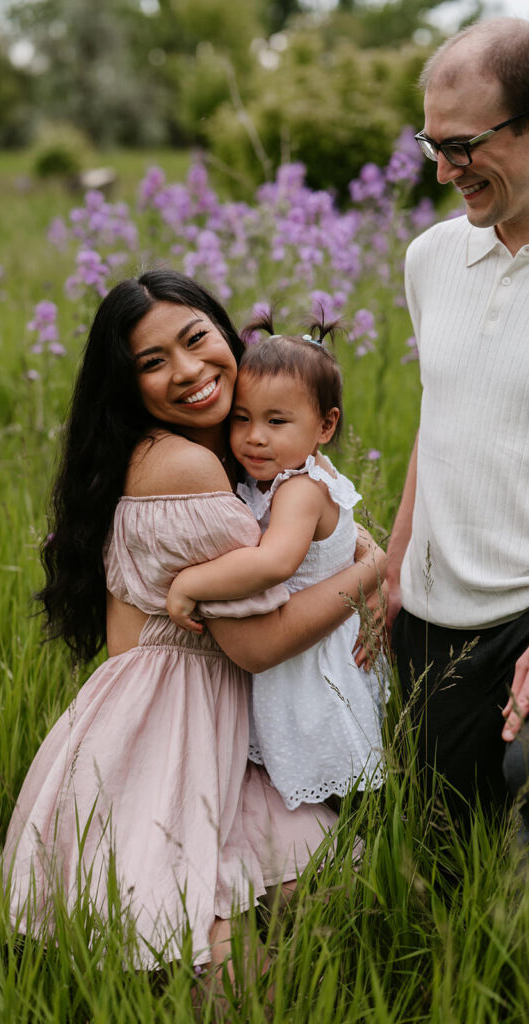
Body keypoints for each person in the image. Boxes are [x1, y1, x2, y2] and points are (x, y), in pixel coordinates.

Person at [2, 270, 387, 974]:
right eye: (152, 363)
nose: (188, 371)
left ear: (225, 331)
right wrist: (372, 570)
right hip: (168, 739)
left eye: (196, 339)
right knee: (217, 950)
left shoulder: (230, 455)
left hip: (216, 730)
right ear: (128, 386)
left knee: (349, 910)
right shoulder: (182, 466)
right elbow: (260, 644)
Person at [386, 17, 529, 868]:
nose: (445, 170)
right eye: (432, 144)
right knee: (446, 863)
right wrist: (393, 562)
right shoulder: (429, 259)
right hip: (431, 619)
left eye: (463, 145)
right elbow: (441, 415)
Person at [167, 317, 387, 812]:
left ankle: (360, 851)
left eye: (276, 421)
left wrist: (190, 583)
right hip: (301, 649)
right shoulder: (279, 473)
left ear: (325, 426)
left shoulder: (301, 489)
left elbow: (277, 562)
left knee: (332, 777)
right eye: (241, 418)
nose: (254, 438)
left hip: (312, 662)